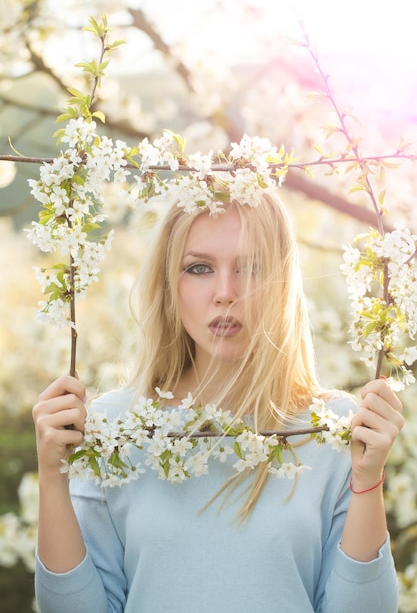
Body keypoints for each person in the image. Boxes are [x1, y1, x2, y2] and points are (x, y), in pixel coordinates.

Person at [33, 190, 404, 613]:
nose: (226, 292)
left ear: (283, 282)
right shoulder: (113, 427)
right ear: (169, 283)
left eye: (251, 268)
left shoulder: (331, 430)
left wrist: (368, 477)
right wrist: (52, 475)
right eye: (200, 268)